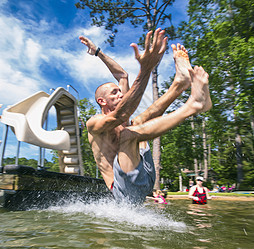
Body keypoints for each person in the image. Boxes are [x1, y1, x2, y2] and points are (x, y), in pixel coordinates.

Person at [80, 29, 212, 204]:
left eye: (120, 91)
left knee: (138, 121)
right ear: (102, 101)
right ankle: (193, 106)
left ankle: (179, 84)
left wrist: (98, 52)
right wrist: (147, 68)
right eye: (114, 93)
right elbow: (119, 116)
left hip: (145, 174)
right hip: (123, 191)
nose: (121, 94)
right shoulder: (95, 124)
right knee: (128, 132)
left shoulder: (122, 109)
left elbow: (122, 75)